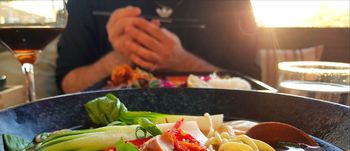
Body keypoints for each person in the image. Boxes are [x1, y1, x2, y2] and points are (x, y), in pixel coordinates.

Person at [56, 0, 259, 93]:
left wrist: (181, 61)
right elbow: (68, 85)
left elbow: (254, 84)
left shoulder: (233, 5)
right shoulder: (86, 4)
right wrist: (121, 57)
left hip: (218, 123)